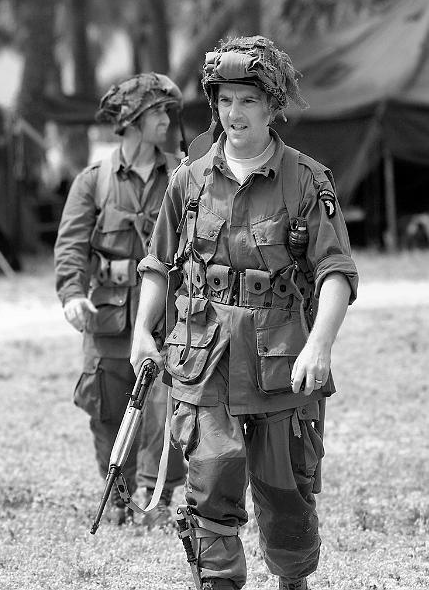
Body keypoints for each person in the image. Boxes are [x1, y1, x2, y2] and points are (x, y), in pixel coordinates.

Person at [130, 37, 359, 590]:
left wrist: (320, 344)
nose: (234, 114)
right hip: (203, 359)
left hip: (282, 361)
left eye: (248, 101)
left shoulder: (306, 180)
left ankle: (291, 579)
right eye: (226, 100)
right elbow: (159, 264)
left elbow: (336, 273)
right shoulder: (188, 180)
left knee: (285, 492)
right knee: (209, 481)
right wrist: (142, 329)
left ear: (272, 105)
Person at [54, 72, 186, 527]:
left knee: (168, 407)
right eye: (157, 112)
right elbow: (71, 245)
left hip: (169, 312)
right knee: (106, 407)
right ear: (131, 120)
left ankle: (161, 496)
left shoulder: (185, 176)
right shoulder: (93, 182)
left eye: (168, 110)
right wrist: (72, 293)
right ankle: (122, 497)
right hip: (108, 315)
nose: (167, 119)